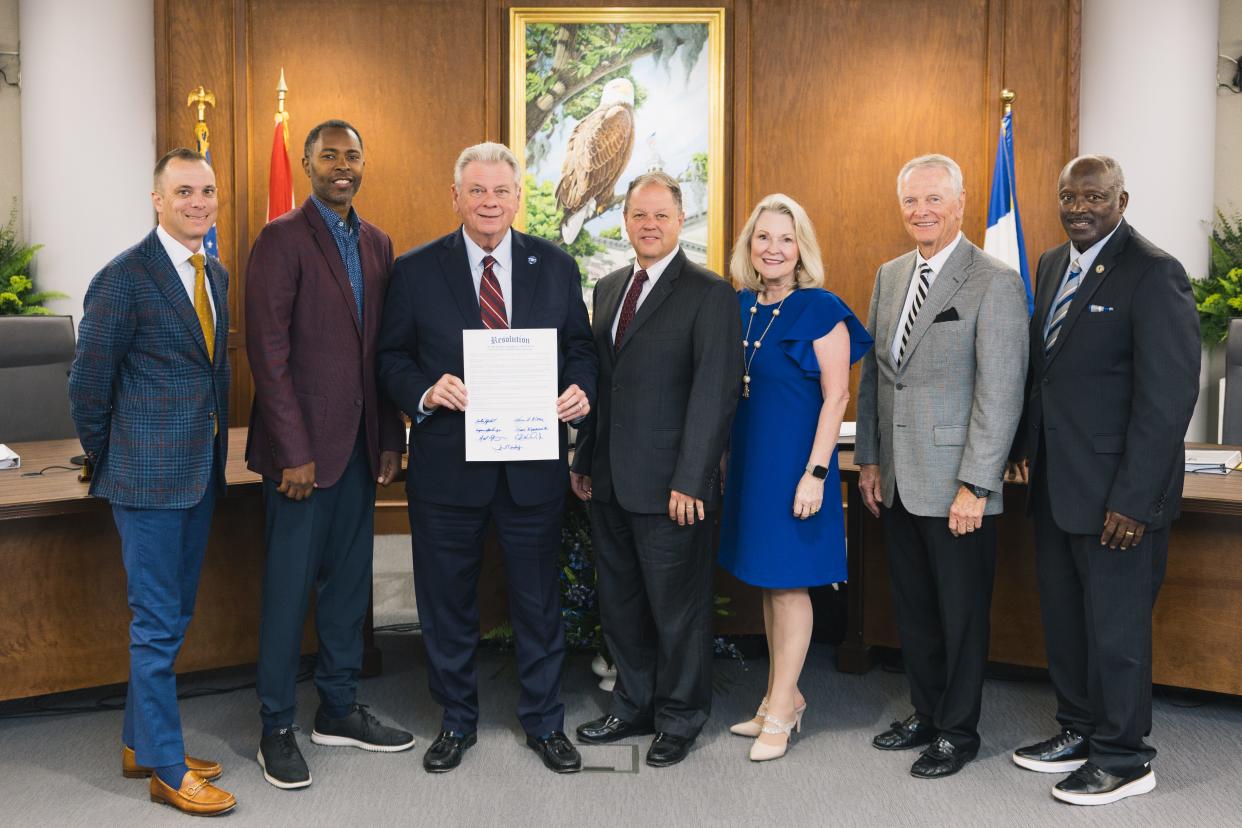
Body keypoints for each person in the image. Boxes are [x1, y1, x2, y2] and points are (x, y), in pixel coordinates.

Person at [377, 142, 597, 775]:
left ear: (517, 197)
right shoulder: (416, 271)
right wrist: (423, 390)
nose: (490, 202)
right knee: (446, 602)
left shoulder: (555, 265)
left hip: (533, 468)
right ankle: (455, 721)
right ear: (456, 197)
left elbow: (580, 350)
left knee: (537, 600)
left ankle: (546, 722)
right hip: (449, 469)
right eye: (477, 191)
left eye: (501, 191)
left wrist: (582, 388)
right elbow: (390, 359)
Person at [1008, 155, 1199, 806]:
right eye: (1069, 196)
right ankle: (1080, 729)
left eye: (1094, 197)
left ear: (1122, 200)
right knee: (1066, 623)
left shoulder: (1154, 272)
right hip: (1059, 488)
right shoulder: (1052, 264)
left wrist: (1136, 500)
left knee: (1117, 634)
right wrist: (1025, 447)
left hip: (1120, 497)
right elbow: (1047, 374)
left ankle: (1124, 758)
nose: (1079, 208)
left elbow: (1168, 399)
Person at [245, 119, 413, 789]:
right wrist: (292, 450)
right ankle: (276, 725)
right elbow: (268, 350)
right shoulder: (281, 239)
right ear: (309, 165)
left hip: (359, 450)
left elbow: (383, 353)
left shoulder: (376, 242)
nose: (342, 166)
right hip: (300, 461)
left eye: (352, 156)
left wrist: (389, 438)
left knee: (348, 591)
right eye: (329, 157)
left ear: (364, 165)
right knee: (288, 595)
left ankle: (338, 708)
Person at [68, 148, 236, 815]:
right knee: (158, 624)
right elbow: (86, 386)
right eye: (185, 192)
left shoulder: (215, 273)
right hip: (146, 482)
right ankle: (167, 768)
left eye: (208, 192)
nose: (199, 202)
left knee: (174, 616)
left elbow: (210, 374)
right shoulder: (124, 278)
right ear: (157, 200)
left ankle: (142, 740)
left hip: (199, 474)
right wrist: (113, 458)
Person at [855, 154, 1028, 779]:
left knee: (960, 616)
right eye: (911, 201)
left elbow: (1001, 392)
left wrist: (976, 485)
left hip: (959, 485)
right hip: (898, 480)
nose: (921, 211)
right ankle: (926, 713)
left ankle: (958, 731)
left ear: (959, 203)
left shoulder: (993, 280)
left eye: (934, 200)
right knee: (917, 610)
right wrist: (869, 461)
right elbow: (876, 376)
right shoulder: (890, 274)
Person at [571, 171, 742, 768]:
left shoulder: (709, 292)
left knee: (679, 610)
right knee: (619, 603)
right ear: (625, 220)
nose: (649, 225)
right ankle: (632, 704)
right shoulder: (609, 287)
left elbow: (716, 393)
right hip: (610, 481)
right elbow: (603, 382)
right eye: (639, 215)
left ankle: (679, 716)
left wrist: (692, 479)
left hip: (674, 487)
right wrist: (585, 457)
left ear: (679, 219)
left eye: (661, 215)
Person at [717, 194, 872, 762]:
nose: (774, 249)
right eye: (764, 238)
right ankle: (780, 696)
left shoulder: (821, 307)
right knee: (767, 579)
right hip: (751, 465)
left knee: (791, 584)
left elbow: (837, 397)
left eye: (786, 239)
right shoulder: (739, 307)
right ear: (749, 247)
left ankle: (782, 709)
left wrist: (816, 474)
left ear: (801, 247)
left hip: (798, 468)